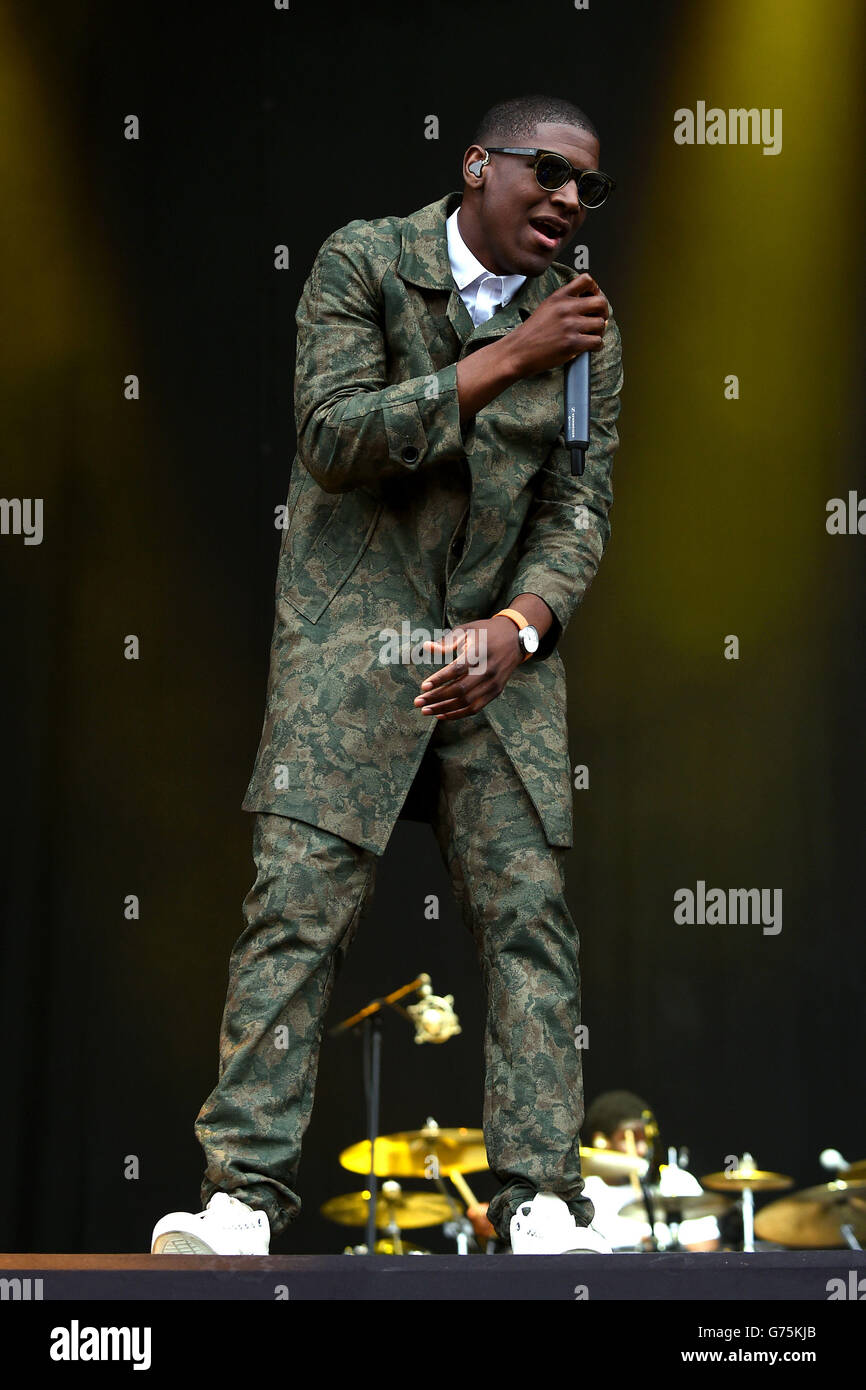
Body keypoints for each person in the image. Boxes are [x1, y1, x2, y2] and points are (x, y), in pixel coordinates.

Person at [151, 92, 624, 1258]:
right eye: (547, 172)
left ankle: (536, 1199)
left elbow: (578, 508)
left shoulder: (583, 330)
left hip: (493, 665)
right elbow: (334, 434)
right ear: (475, 166)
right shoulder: (365, 260)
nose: (568, 199)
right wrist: (509, 354)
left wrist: (518, 626)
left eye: (586, 187)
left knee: (529, 927)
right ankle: (239, 1200)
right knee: (293, 922)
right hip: (350, 654)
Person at [580, 1090, 720, 1251]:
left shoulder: (678, 1182)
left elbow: (705, 1250)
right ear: (602, 1141)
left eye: (645, 1138)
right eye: (629, 1138)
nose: (642, 1148)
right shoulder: (585, 1192)